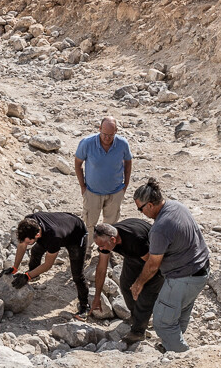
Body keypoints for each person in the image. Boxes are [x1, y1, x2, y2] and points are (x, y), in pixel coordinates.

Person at [129, 178, 211, 353]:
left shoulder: (160, 228)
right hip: (201, 270)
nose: (140, 213)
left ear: (150, 205)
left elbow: (152, 265)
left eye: (140, 209)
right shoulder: (176, 206)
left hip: (184, 277)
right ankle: (170, 347)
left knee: (163, 322)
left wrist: (139, 284)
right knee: (179, 314)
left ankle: (183, 358)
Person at [3, 212, 90, 317]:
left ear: (37, 235)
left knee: (77, 275)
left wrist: (27, 276)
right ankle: (34, 276)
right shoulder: (29, 222)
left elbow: (48, 264)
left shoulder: (53, 237)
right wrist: (14, 268)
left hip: (76, 235)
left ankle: (85, 307)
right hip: (61, 224)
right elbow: (22, 245)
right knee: (35, 251)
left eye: (29, 242)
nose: (26, 244)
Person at [91, 221, 164, 342]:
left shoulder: (136, 240)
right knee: (126, 285)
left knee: (146, 295)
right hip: (134, 256)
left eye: (102, 246)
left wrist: (139, 283)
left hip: (154, 262)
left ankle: (138, 331)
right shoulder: (107, 238)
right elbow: (101, 268)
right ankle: (135, 317)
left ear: (113, 240)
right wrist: (97, 296)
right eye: (98, 246)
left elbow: (153, 264)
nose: (100, 249)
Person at [75, 116, 133, 238]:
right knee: (89, 223)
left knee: (111, 225)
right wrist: (82, 187)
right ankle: (87, 249)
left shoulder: (122, 144)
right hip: (92, 192)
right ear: (100, 128)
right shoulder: (87, 143)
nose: (107, 138)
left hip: (115, 192)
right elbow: (78, 163)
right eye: (104, 134)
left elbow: (128, 162)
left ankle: (105, 251)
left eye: (110, 135)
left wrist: (125, 185)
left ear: (116, 131)